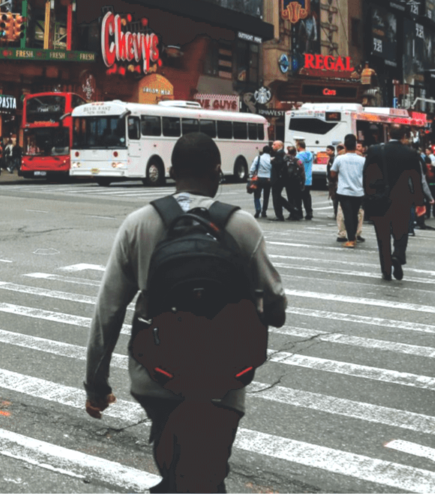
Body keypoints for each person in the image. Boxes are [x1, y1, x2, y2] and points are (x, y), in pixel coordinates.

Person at [84, 133, 286, 493]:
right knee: (206, 473)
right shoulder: (242, 226)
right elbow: (276, 306)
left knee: (179, 468)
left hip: (156, 378)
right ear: (218, 172)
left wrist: (96, 385)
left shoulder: (138, 224)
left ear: (172, 172)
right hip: (223, 382)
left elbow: (108, 311)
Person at [363, 126, 427, 281]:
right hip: (402, 198)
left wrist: (368, 195)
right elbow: (416, 179)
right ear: (404, 136)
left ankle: (386, 270)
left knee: (382, 235)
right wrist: (419, 201)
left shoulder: (375, 150)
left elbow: (366, 175)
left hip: (379, 198)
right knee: (401, 231)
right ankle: (398, 255)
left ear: (389, 134)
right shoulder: (410, 153)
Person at [330, 135, 367, 249]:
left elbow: (332, 174)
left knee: (347, 215)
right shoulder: (362, 160)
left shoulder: (339, 159)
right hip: (358, 191)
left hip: (344, 191)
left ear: (345, 146)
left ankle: (351, 239)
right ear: (355, 146)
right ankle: (353, 236)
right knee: (355, 214)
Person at [294, 140, 314, 219]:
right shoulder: (310, 154)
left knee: (298, 197)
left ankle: (299, 213)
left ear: (299, 146)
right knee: (307, 196)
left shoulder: (299, 155)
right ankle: (309, 213)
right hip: (308, 178)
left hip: (301, 178)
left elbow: (298, 166)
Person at [251, 145, 272, 218]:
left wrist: (251, 176)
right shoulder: (271, 159)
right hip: (268, 179)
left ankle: (258, 209)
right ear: (270, 151)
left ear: (263, 151)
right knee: (266, 196)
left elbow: (252, 168)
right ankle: (264, 211)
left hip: (259, 178)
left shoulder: (258, 158)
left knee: (257, 195)